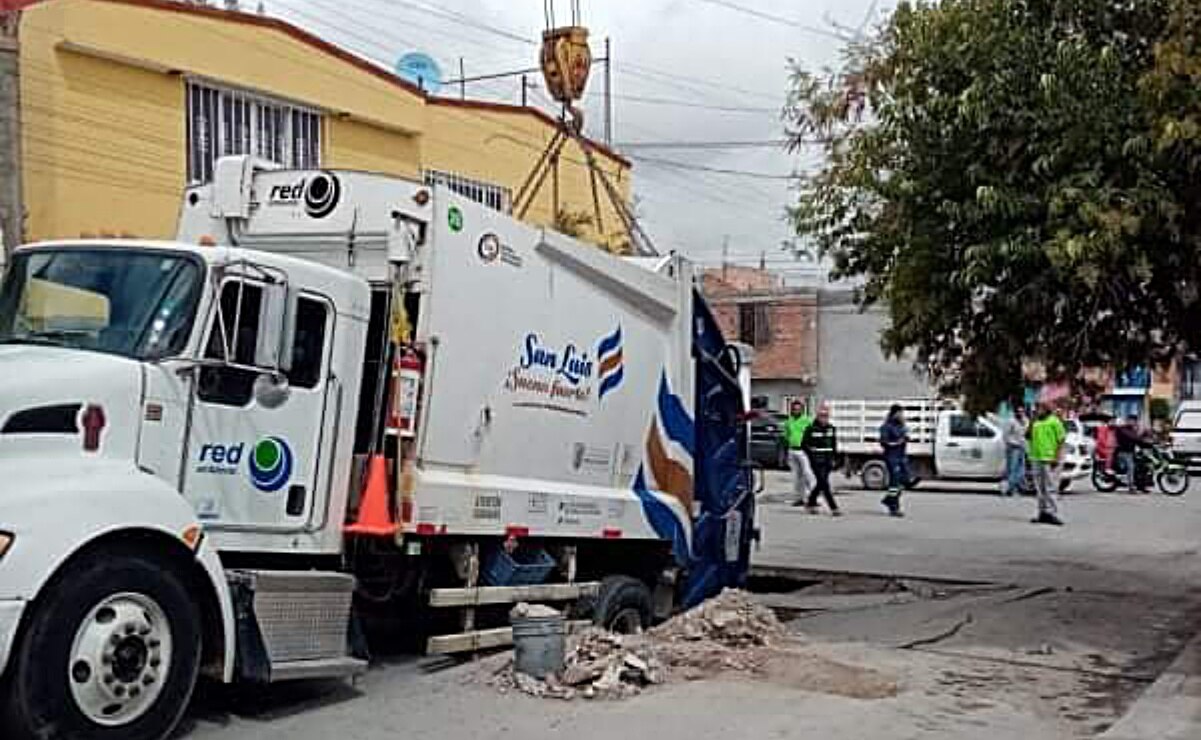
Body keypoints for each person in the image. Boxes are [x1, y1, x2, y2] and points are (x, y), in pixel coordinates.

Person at [1027, 404, 1066, 526]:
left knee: (1050, 486)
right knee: (1039, 487)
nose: (1037, 411)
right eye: (1036, 409)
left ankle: (1052, 512)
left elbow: (1061, 440)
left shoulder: (1054, 421)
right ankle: (1042, 511)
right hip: (1036, 457)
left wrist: (1057, 457)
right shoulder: (1036, 422)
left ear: (1046, 410)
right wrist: (1032, 421)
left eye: (1040, 409)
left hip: (1049, 458)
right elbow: (1027, 436)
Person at [801, 403, 841, 516]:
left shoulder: (831, 429)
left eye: (826, 416)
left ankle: (810, 502)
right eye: (822, 416)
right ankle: (834, 507)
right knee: (824, 483)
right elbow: (804, 444)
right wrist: (811, 454)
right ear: (817, 416)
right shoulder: (811, 429)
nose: (824, 418)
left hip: (828, 460)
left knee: (821, 483)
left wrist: (835, 458)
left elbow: (834, 445)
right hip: (816, 460)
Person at [879, 404, 914, 517]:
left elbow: (905, 436)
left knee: (905, 480)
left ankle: (888, 499)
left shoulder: (902, 426)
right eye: (899, 413)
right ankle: (894, 507)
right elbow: (884, 442)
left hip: (902, 456)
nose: (901, 415)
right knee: (894, 483)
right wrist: (896, 443)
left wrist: (907, 437)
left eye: (902, 413)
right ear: (894, 414)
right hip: (892, 457)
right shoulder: (886, 426)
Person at [781, 401, 815, 506]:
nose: (796, 411)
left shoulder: (807, 421)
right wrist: (788, 447)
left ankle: (813, 497)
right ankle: (799, 498)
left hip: (803, 450)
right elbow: (786, 436)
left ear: (802, 410)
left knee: (808, 474)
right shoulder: (788, 421)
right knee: (796, 477)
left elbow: (813, 434)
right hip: (792, 450)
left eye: (798, 409)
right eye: (794, 409)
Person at [1114, 415, 1149, 492]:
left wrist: (1148, 439)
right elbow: (1133, 437)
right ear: (1128, 420)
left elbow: (1138, 440)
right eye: (1132, 420)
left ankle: (1142, 485)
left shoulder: (1132, 429)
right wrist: (1141, 437)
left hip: (1131, 452)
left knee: (1143, 465)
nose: (1134, 422)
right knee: (1131, 466)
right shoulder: (1122, 429)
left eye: (1135, 421)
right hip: (1122, 452)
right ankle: (1131, 486)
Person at [1002, 405, 1028, 496]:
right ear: (1015, 412)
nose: (1020, 413)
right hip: (1013, 448)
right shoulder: (1011, 421)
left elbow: (1025, 434)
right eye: (1019, 411)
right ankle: (1011, 489)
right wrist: (1011, 443)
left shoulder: (1025, 421)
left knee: (1021, 470)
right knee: (1012, 469)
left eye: (1022, 411)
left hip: (1022, 448)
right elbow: (1005, 435)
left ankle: (1017, 487)